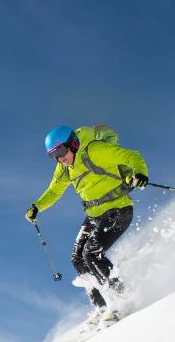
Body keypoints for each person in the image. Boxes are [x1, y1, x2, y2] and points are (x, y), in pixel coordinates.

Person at [25, 125, 148, 323]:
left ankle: (121, 299)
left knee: (91, 253)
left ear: (73, 144)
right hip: (94, 215)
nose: (60, 158)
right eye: (53, 156)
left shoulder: (94, 151)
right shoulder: (64, 168)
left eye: (61, 152)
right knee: (77, 259)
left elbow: (132, 156)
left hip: (118, 209)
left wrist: (140, 173)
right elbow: (54, 191)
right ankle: (101, 306)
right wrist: (37, 207)